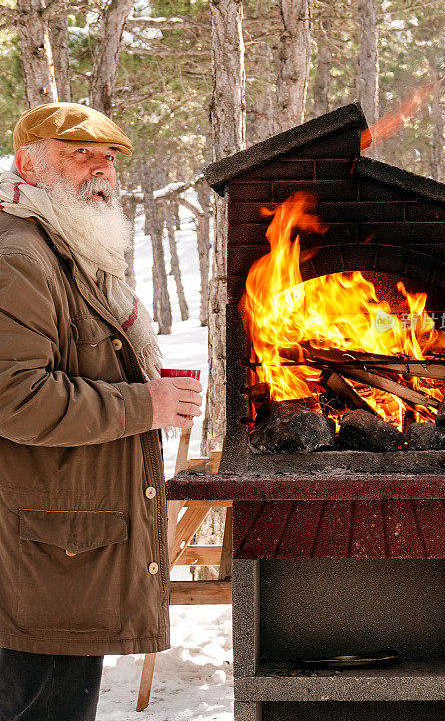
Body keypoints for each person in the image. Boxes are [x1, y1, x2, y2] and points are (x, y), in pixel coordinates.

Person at [0, 102, 203, 721]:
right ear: (29, 163)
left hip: (67, 558)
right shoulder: (18, 258)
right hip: (32, 562)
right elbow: (16, 399)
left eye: (109, 159)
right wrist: (146, 403)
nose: (100, 171)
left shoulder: (70, 250)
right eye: (79, 154)